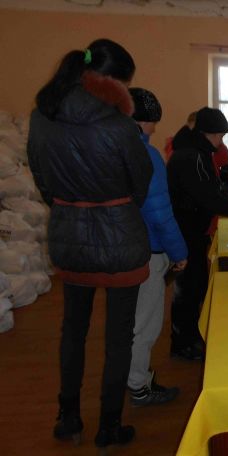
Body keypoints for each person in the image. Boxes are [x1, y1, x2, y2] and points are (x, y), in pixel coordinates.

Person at [27, 39, 153, 450]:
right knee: (119, 338)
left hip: (70, 235)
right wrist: (114, 207)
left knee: (72, 331)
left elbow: (43, 182)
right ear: (111, 81)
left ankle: (68, 418)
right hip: (121, 239)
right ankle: (109, 426)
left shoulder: (42, 117)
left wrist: (72, 209)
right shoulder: (120, 126)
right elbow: (140, 183)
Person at [166, 107, 228, 360]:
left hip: (192, 229)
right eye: (219, 136)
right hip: (187, 230)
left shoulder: (195, 152)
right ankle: (183, 343)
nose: (221, 142)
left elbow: (213, 191)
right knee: (189, 288)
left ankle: (190, 336)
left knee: (196, 284)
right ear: (207, 133)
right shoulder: (192, 157)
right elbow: (210, 197)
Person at [127, 88, 187, 407]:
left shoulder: (108, 147)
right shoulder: (146, 155)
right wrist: (179, 253)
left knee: (125, 322)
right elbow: (160, 213)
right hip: (147, 252)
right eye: (153, 121)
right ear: (144, 119)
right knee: (145, 324)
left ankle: (127, 377)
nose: (155, 127)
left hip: (119, 252)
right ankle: (138, 386)